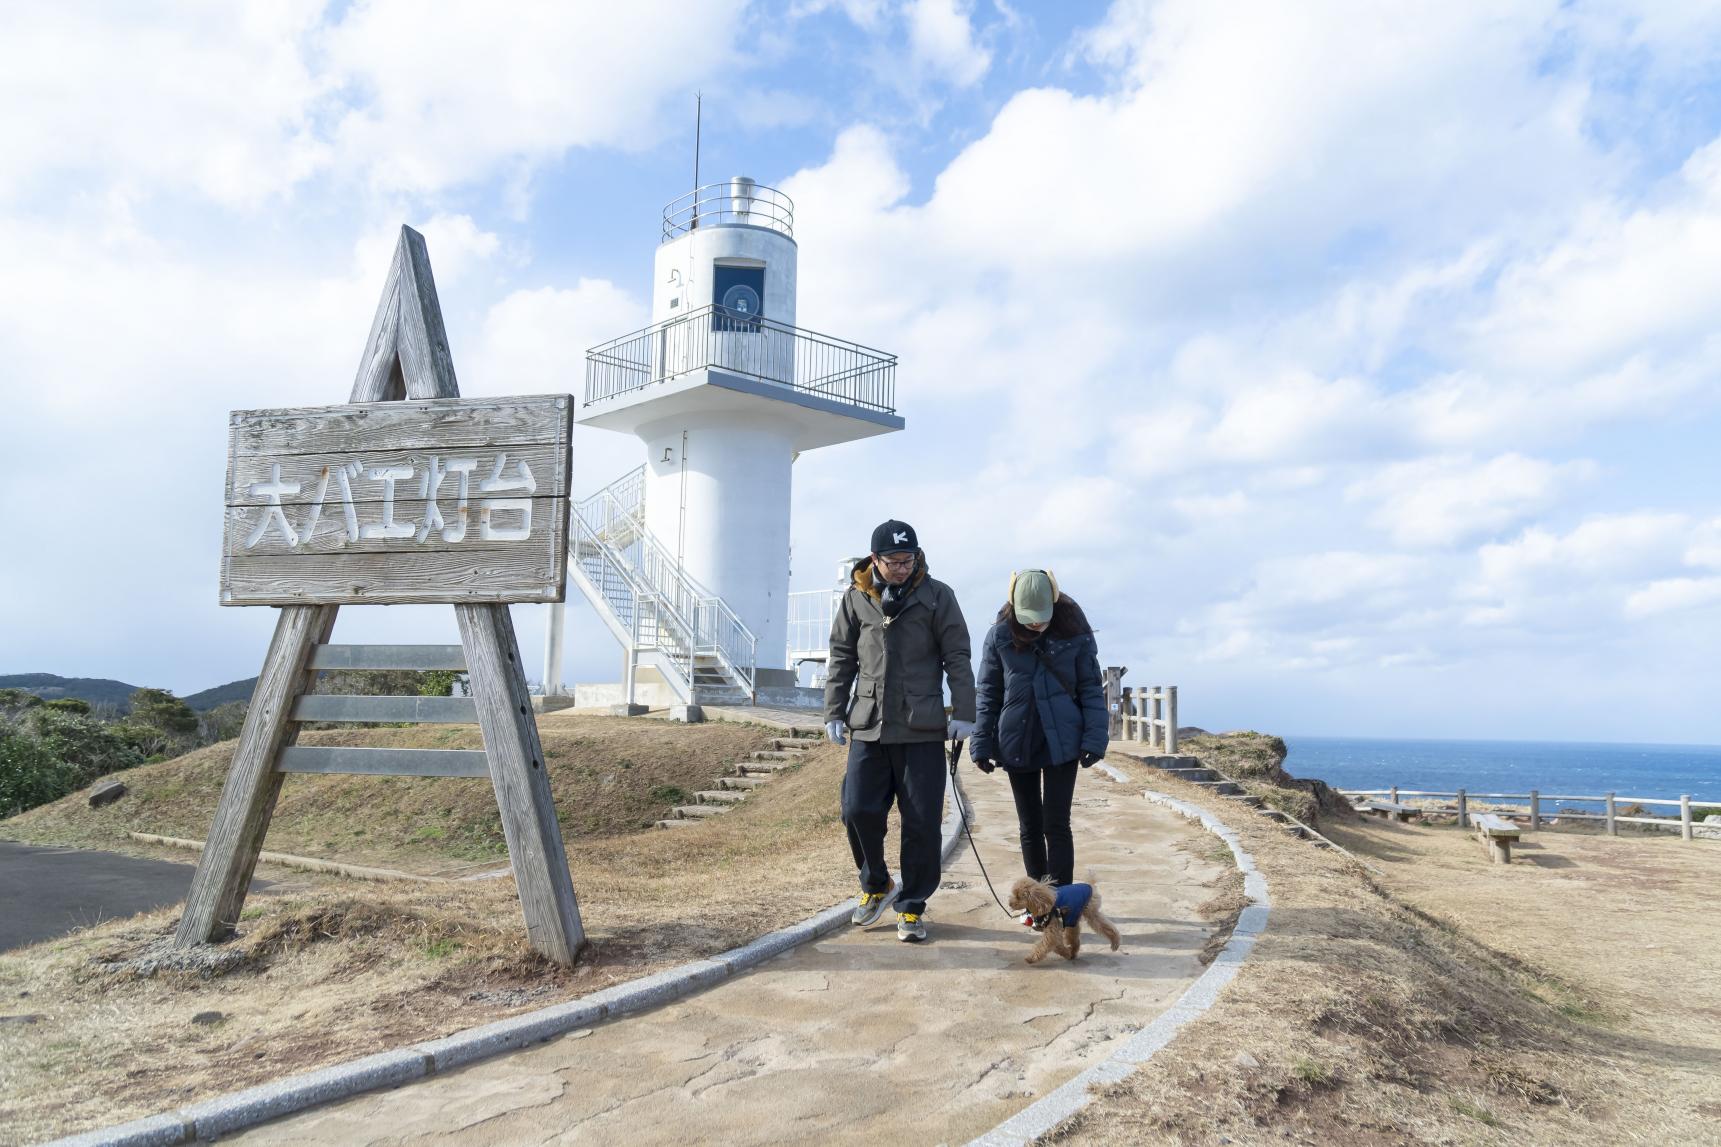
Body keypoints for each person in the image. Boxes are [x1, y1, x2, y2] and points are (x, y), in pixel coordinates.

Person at [825, 519, 976, 943]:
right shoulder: (856, 597)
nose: (901, 568)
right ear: (875, 560)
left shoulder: (937, 595)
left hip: (922, 727)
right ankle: (877, 884)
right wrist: (833, 711)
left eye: (907, 560)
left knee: (923, 823)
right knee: (856, 810)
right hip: (869, 726)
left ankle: (911, 906)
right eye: (892, 561)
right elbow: (841, 656)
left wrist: (965, 710)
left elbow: (957, 655)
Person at [969, 570, 1108, 888]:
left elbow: (1090, 688)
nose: (1035, 623)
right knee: (1029, 825)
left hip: (1063, 740)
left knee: (1056, 824)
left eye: (1041, 616)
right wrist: (982, 742)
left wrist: (1095, 738)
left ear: (1054, 601)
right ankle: (1038, 901)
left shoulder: (1076, 632)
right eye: (1028, 617)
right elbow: (988, 692)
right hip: (1017, 739)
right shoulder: (999, 636)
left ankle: (1061, 903)